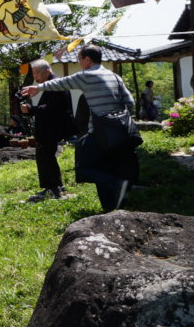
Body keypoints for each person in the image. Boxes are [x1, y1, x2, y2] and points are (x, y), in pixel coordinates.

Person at [21, 45, 137, 213]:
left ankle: (116, 185)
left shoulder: (87, 75)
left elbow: (62, 82)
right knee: (107, 165)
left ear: (87, 60)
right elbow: (130, 103)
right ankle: (112, 207)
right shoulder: (114, 76)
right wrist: (117, 116)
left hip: (100, 130)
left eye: (79, 59)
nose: (78, 63)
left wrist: (37, 88)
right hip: (121, 129)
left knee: (83, 167)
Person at [20, 60, 74, 201]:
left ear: (46, 71)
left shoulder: (55, 84)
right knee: (45, 156)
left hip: (52, 126)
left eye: (36, 73)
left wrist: (30, 109)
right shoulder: (51, 84)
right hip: (50, 126)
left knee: (46, 156)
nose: (35, 77)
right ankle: (52, 187)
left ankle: (54, 188)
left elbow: (50, 108)